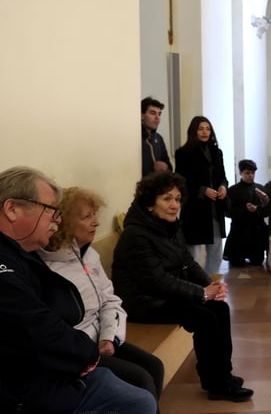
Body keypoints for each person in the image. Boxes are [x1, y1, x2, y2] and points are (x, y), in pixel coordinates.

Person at [0, 166, 156, 413]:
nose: (57, 220)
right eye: (50, 209)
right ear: (12, 209)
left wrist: (105, 338)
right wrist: (87, 354)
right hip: (36, 383)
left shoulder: (25, 255)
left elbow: (107, 299)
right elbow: (37, 326)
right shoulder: (14, 263)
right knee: (138, 398)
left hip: (68, 360)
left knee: (144, 384)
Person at [111, 171, 253, 402]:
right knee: (204, 316)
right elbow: (156, 281)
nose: (174, 205)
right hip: (143, 301)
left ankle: (222, 376)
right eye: (167, 199)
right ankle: (216, 384)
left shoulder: (168, 227)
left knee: (220, 309)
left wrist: (211, 285)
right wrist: (200, 293)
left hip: (163, 295)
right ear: (149, 203)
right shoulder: (136, 235)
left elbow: (187, 262)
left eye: (177, 199)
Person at [38, 187, 165, 404]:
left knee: (154, 366)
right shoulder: (46, 267)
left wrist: (109, 337)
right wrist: (92, 347)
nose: (96, 222)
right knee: (140, 379)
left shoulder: (89, 254)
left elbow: (109, 300)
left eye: (95, 215)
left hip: (102, 337)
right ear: (64, 222)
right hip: (79, 351)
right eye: (87, 217)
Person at [175, 116, 229, 274]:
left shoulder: (216, 152)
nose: (205, 132)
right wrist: (202, 190)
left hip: (215, 207)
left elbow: (222, 177)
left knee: (216, 251)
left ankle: (211, 282)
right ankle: (196, 287)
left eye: (208, 128)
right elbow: (181, 181)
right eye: (201, 128)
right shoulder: (183, 153)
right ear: (193, 131)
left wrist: (223, 187)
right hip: (195, 208)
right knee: (194, 253)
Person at [223, 159, 269, 267]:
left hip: (256, 233)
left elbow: (266, 211)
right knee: (236, 264)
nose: (251, 176)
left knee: (257, 263)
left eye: (253, 173)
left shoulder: (261, 189)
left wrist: (257, 209)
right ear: (240, 173)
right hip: (239, 233)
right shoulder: (232, 190)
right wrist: (244, 209)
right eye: (247, 173)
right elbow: (227, 212)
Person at [141, 96, 173, 177]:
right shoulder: (135, 139)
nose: (157, 118)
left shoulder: (158, 138)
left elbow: (169, 167)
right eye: (152, 113)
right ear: (142, 115)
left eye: (159, 114)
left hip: (157, 187)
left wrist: (165, 167)